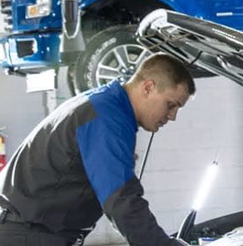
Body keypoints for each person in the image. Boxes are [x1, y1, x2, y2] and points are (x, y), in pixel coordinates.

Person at [0, 53, 195, 246]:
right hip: (27, 235)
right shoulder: (107, 119)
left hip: (31, 231)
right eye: (171, 105)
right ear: (148, 87)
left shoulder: (103, 104)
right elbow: (121, 200)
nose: (172, 116)